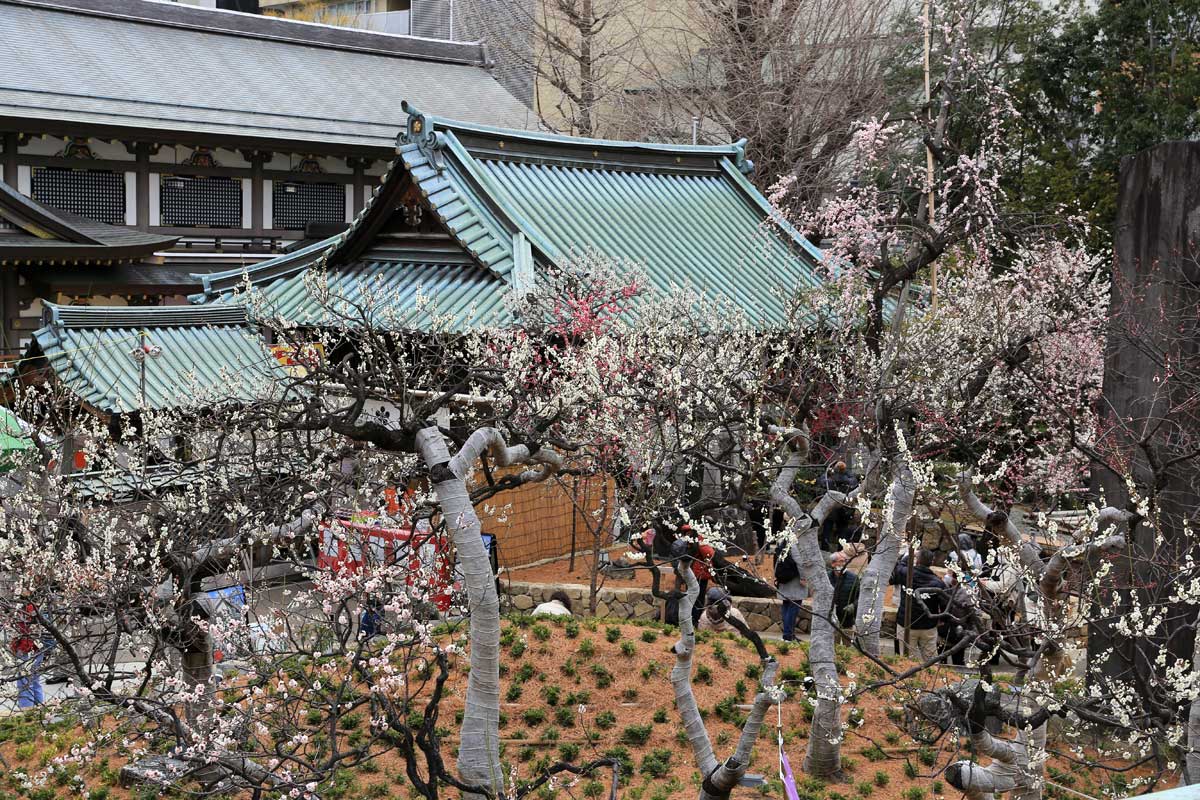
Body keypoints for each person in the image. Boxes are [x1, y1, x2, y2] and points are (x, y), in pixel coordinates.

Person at [890, 549, 946, 664]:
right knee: (931, 660)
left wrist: (909, 555)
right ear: (932, 562)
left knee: (908, 661)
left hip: (906, 624)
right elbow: (945, 604)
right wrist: (942, 620)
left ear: (917, 560)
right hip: (928, 626)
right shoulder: (938, 583)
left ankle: (910, 675)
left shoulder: (906, 574)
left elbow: (899, 567)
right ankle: (932, 676)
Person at [11, 602, 44, 709]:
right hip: (38, 646)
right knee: (35, 680)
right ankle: (40, 707)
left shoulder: (23, 609)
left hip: (25, 647)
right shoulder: (38, 607)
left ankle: (27, 710)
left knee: (24, 682)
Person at [774, 541, 807, 641]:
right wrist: (803, 577)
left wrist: (777, 576)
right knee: (793, 607)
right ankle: (788, 635)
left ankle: (788, 635)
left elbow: (776, 561)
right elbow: (800, 562)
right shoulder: (795, 544)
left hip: (784, 579)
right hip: (794, 581)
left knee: (786, 606)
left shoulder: (782, 542)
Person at [828, 551, 860, 630]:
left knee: (846, 637)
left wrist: (853, 606)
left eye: (845, 561)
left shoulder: (853, 578)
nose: (844, 564)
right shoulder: (826, 577)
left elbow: (860, 597)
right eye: (841, 561)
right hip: (829, 618)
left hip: (847, 619)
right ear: (833, 564)